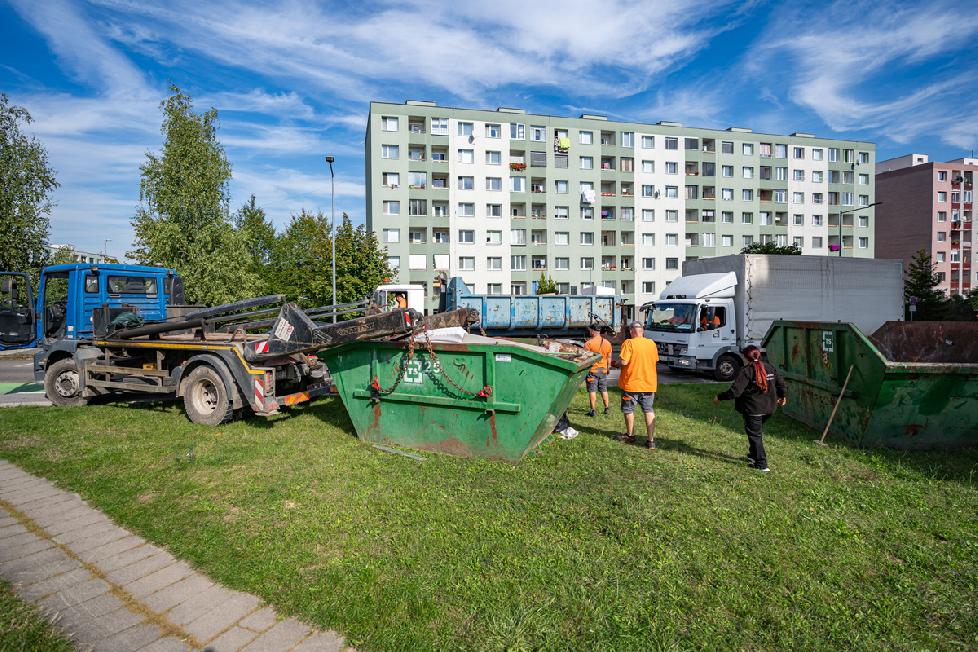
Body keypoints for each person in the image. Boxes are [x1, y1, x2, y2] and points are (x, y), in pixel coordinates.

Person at [713, 345, 787, 472]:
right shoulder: (769, 367)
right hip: (769, 408)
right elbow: (781, 383)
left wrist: (719, 397)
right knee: (755, 432)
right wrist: (782, 396)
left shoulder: (746, 371)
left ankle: (762, 465)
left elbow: (735, 392)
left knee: (755, 435)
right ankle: (753, 456)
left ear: (745, 357)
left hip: (753, 409)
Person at [612, 321, 659, 449]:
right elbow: (655, 360)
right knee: (648, 410)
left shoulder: (629, 343)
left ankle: (630, 435)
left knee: (628, 410)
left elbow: (625, 361)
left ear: (632, 331)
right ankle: (651, 441)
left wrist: (615, 363)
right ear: (642, 331)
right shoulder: (651, 344)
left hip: (631, 384)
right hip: (649, 384)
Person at [584, 324, 612, 417]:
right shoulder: (607, 343)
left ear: (592, 331)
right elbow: (609, 357)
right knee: (604, 390)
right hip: (603, 370)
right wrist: (608, 368)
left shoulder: (588, 344)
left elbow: (585, 359)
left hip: (593, 370)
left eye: (590, 330)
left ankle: (592, 410)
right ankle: (607, 408)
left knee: (592, 390)